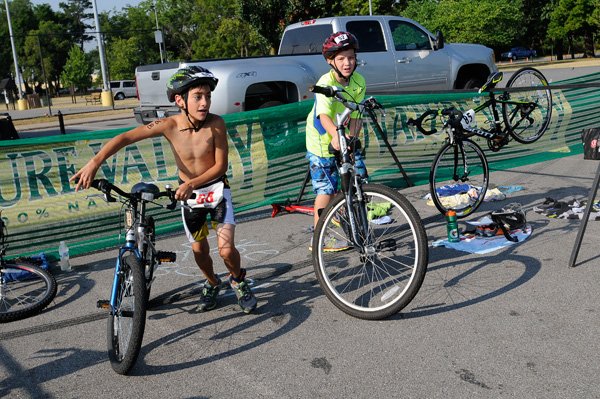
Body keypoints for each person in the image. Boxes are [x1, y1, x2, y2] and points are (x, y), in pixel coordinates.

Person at [70, 66, 257, 314]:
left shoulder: (216, 124)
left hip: (217, 191)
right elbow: (126, 137)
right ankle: (212, 282)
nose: (204, 103)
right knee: (199, 250)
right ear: (180, 100)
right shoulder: (169, 125)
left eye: (208, 96)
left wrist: (191, 182)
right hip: (190, 198)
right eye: (198, 97)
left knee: (225, 249)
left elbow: (221, 165)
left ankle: (238, 280)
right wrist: (95, 162)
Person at [305, 31, 367, 251]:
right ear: (330, 61)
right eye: (341, 59)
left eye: (350, 57)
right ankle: (319, 238)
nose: (347, 63)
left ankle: (357, 224)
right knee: (326, 190)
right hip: (322, 141)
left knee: (357, 178)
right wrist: (336, 137)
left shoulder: (359, 82)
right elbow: (324, 116)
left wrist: (351, 140)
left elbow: (357, 116)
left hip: (343, 135)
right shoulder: (326, 82)